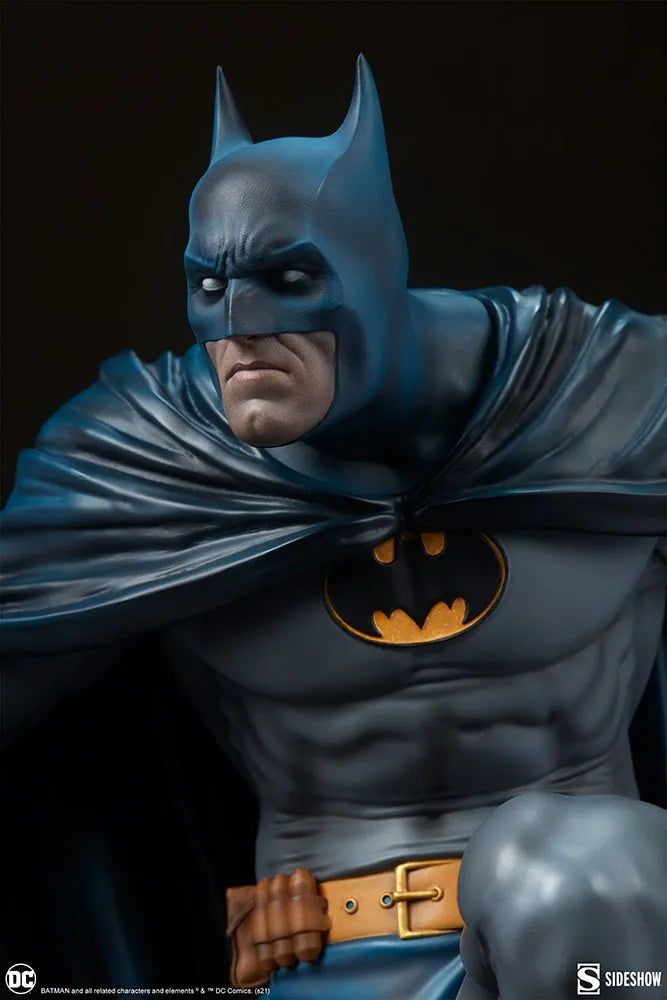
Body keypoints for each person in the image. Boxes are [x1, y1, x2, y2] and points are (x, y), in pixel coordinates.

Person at [2, 56, 666, 1000]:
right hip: (320, 967)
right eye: (209, 289)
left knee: (581, 868)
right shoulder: (150, 464)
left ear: (375, 271)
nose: (240, 331)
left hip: (602, 950)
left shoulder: (610, 400)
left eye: (289, 279)